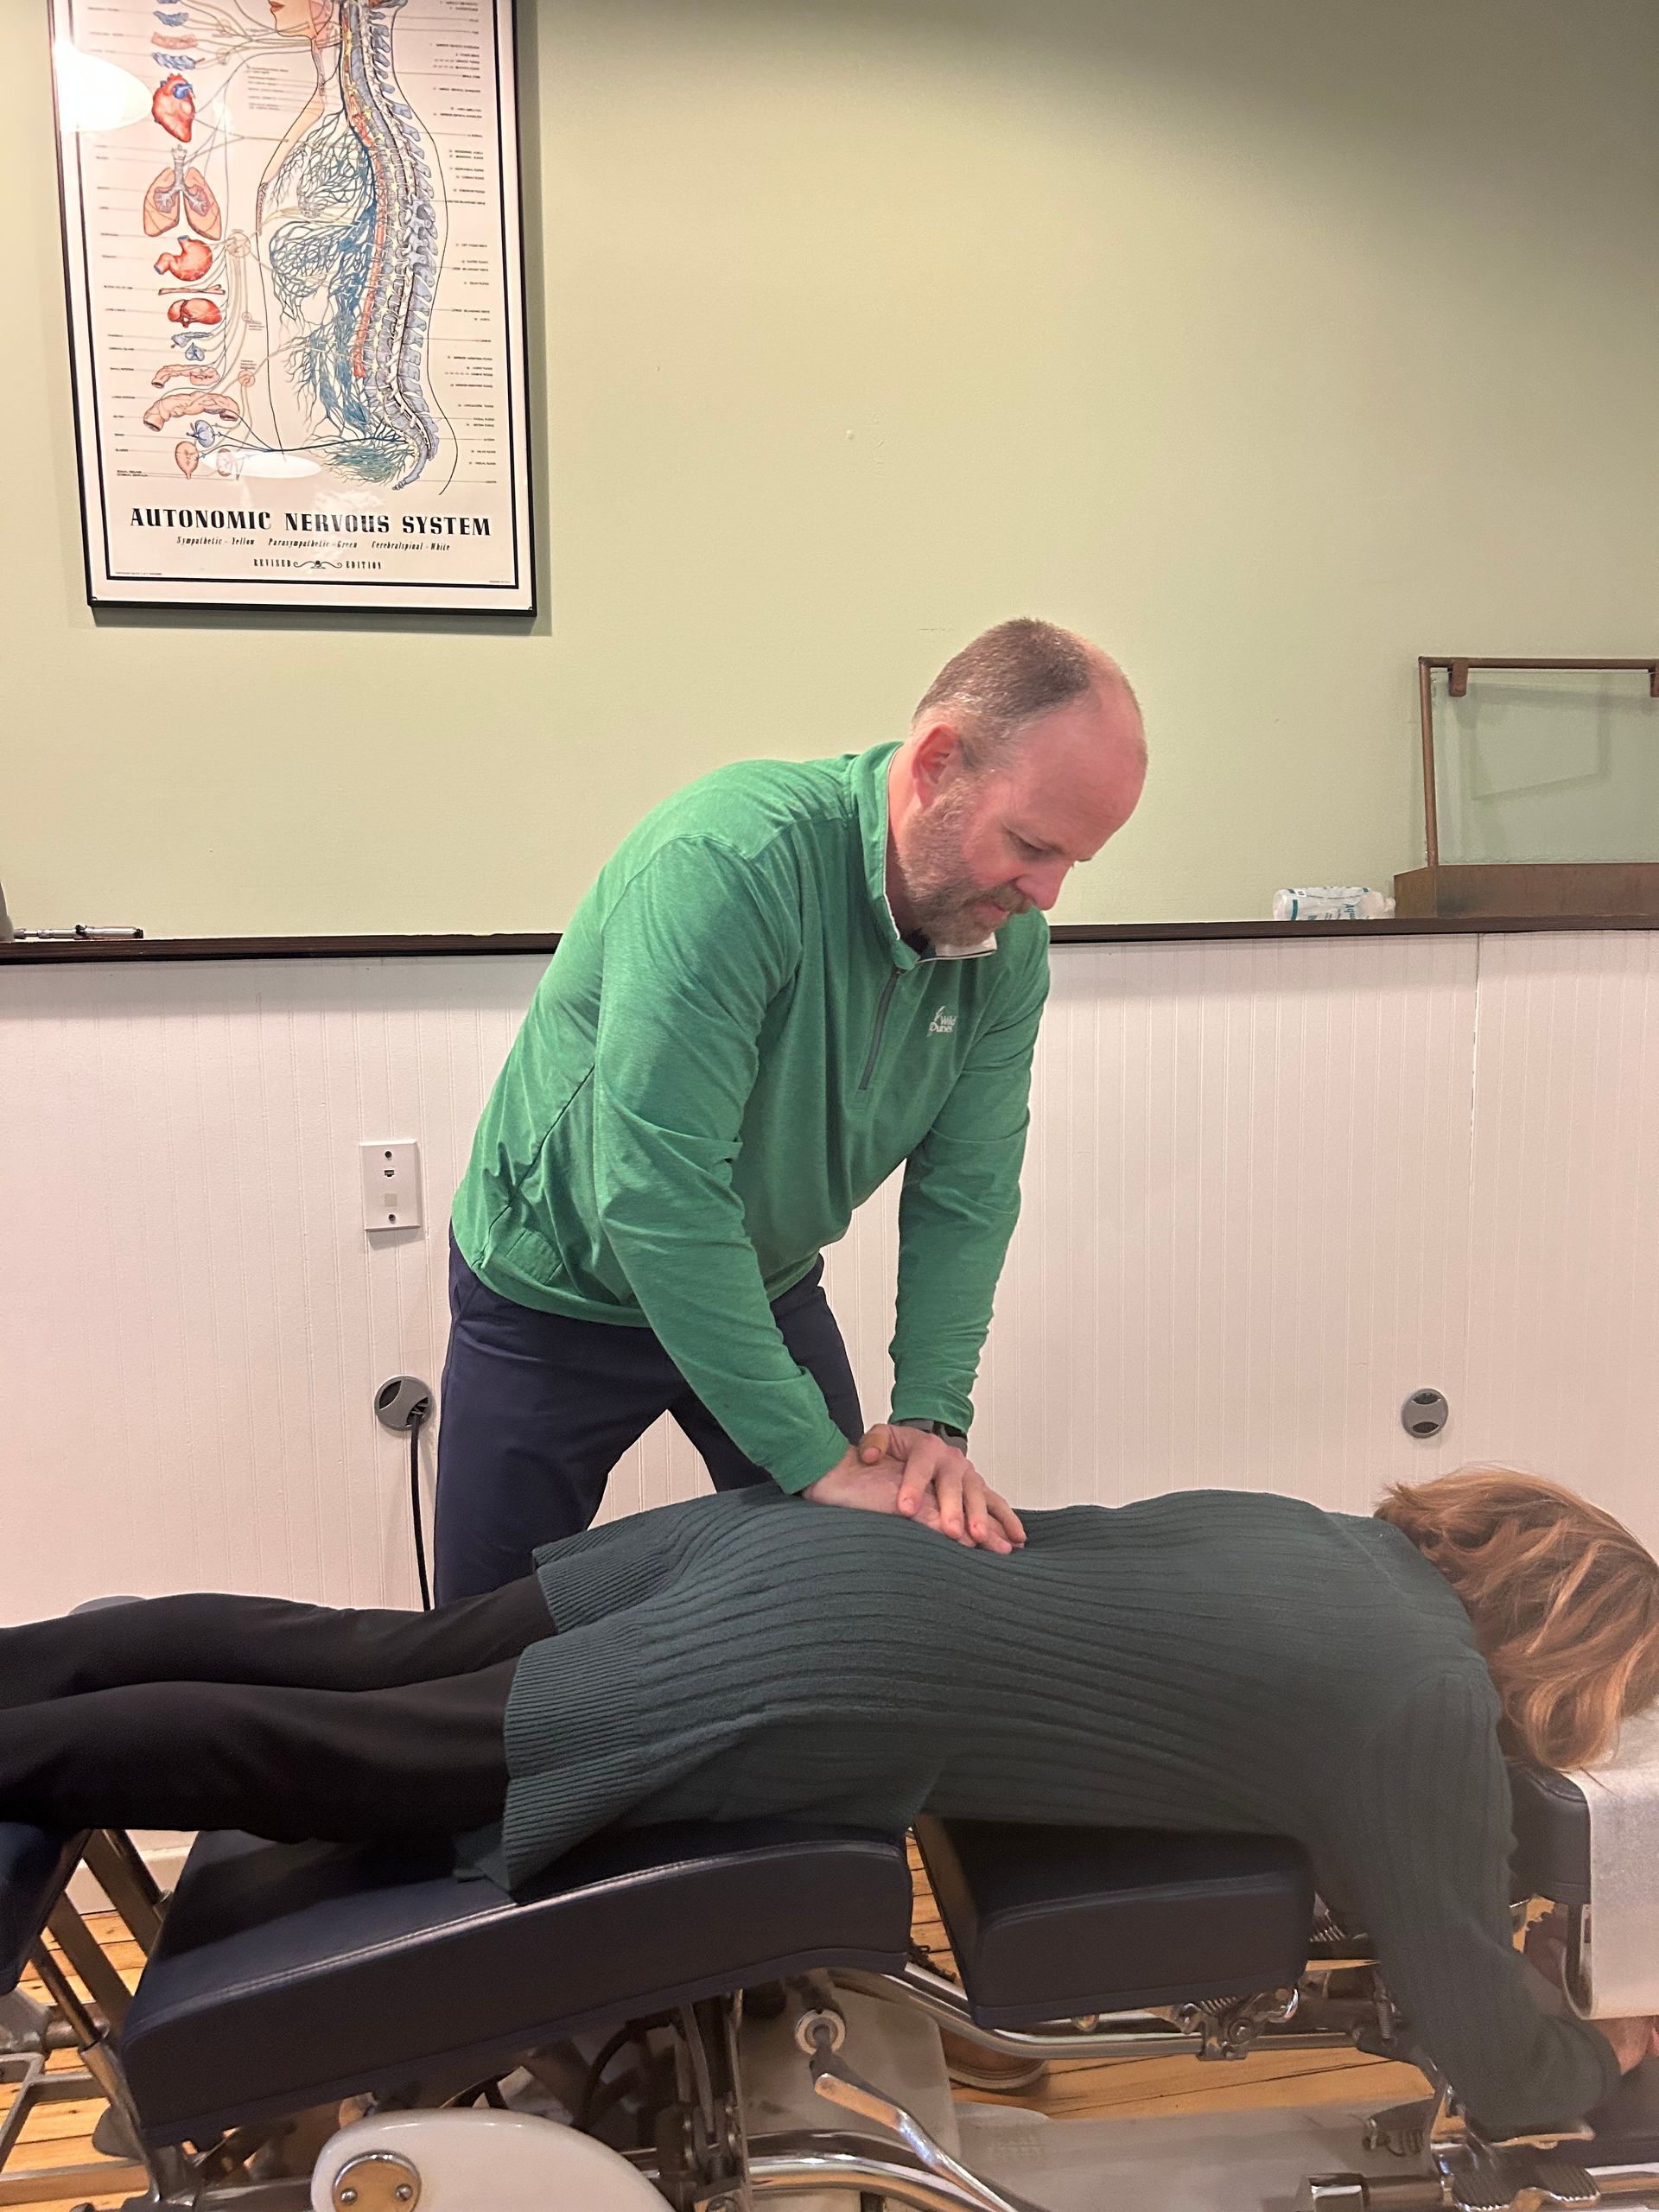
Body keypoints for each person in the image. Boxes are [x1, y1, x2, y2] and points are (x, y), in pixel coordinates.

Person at [4, 1469, 1659, 2139]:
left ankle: (35, 1668)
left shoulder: (1332, 1540)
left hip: (786, 1543)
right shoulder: (1422, 1699)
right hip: (816, 1660)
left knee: (358, 1661)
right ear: (1571, 1651)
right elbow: (1473, 2013)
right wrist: (1605, 2060)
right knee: (345, 1765)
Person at [431, 618, 1148, 1599]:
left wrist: (934, 1417)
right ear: (936, 763)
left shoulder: (1007, 946)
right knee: (482, 1638)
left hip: (761, 1281)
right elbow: (658, 1193)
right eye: (1030, 844)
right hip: (557, 1287)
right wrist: (812, 1457)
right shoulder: (730, 862)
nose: (1048, 893)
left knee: (851, 1584)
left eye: (1075, 860)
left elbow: (968, 1192)